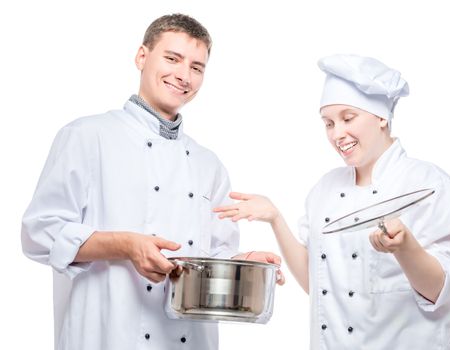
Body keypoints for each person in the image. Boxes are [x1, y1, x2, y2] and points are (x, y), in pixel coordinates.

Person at [21, 13, 282, 350]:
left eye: (196, 67)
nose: (183, 75)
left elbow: (213, 254)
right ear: (142, 57)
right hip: (109, 334)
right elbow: (39, 233)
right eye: (172, 59)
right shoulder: (87, 136)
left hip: (190, 339)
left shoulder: (209, 164)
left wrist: (242, 264)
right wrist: (125, 245)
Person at [214, 54, 450, 349]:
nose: (337, 134)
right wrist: (275, 218)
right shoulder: (325, 189)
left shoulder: (428, 184)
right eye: (328, 123)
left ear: (381, 117)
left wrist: (405, 248)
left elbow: (442, 291)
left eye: (348, 118)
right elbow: (317, 286)